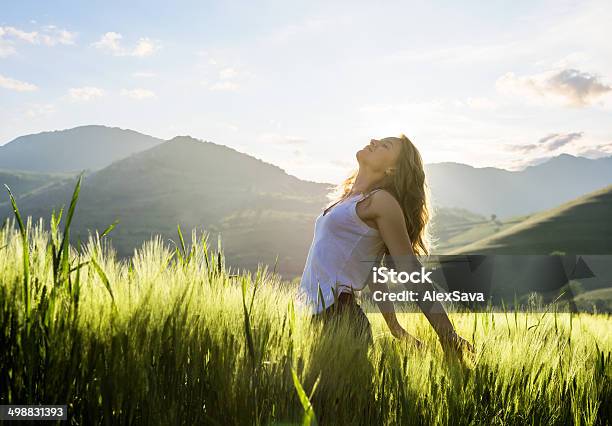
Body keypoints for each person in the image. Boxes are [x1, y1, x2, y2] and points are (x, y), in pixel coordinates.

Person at [296, 134, 473, 356]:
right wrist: (394, 326)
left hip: (338, 319)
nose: (373, 142)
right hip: (311, 314)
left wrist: (447, 334)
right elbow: (371, 269)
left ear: (392, 170)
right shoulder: (349, 199)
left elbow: (409, 270)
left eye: (384, 146)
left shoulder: (381, 202)